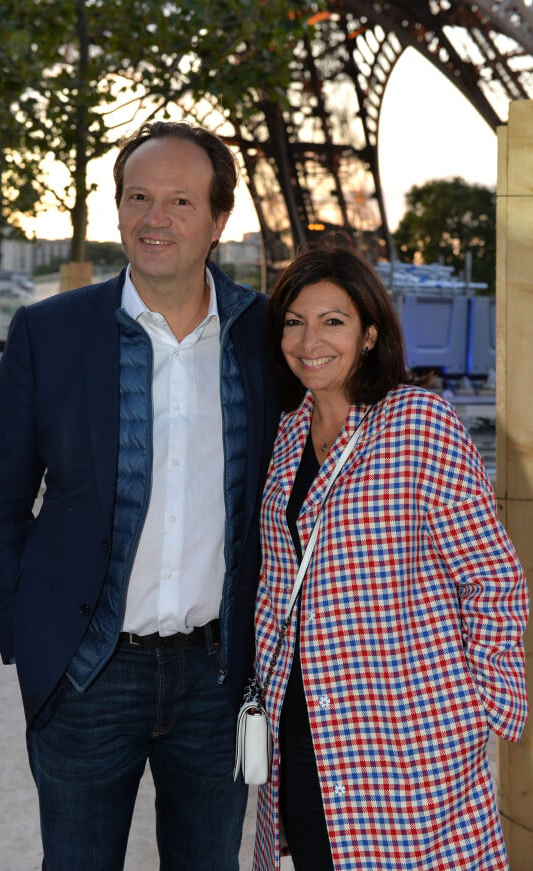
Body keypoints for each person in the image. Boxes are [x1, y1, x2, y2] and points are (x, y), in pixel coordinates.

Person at [0, 120, 280, 871]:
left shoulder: (267, 336)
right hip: (87, 672)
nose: (154, 218)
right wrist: (34, 640)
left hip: (216, 677)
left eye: (179, 200)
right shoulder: (49, 331)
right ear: (116, 210)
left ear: (218, 221)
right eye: (138, 197)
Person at [252, 240, 529, 870]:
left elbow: (492, 576)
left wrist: (476, 704)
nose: (308, 340)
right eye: (294, 321)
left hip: (407, 729)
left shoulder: (419, 422)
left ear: (370, 333)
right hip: (302, 722)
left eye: (333, 321)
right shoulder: (287, 433)